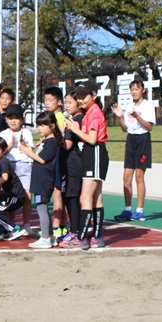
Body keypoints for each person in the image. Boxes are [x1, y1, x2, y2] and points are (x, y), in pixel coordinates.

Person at [64, 82, 109, 250]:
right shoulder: (91, 112)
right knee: (96, 197)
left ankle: (81, 238)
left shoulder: (94, 113)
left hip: (95, 152)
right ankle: (97, 237)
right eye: (79, 97)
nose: (81, 100)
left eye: (84, 97)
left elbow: (92, 139)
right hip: (93, 154)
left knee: (85, 198)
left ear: (94, 96)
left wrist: (75, 129)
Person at [112, 77, 156, 222]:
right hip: (131, 140)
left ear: (143, 90)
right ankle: (127, 209)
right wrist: (120, 117)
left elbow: (149, 127)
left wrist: (137, 117)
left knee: (139, 177)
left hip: (143, 140)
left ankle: (140, 210)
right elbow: (125, 129)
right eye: (132, 89)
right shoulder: (129, 106)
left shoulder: (148, 106)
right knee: (126, 177)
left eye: (137, 89)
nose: (134, 92)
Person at [19, 111, 64, 249]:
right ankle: (49, 236)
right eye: (38, 125)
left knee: (41, 208)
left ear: (52, 125)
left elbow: (43, 160)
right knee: (42, 207)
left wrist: (29, 153)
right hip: (41, 178)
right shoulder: (46, 141)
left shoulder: (51, 142)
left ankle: (45, 237)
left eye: (43, 125)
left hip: (44, 179)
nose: (39, 128)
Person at [0, 104, 35, 235]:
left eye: (17, 118)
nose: (13, 121)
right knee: (12, 197)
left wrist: (23, 144)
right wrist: (10, 145)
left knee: (27, 197)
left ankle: (26, 224)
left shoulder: (27, 133)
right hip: (10, 166)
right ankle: (11, 225)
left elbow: (30, 151)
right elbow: (0, 153)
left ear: (22, 120)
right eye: (10, 118)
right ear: (6, 120)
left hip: (25, 166)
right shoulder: (3, 134)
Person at [57, 89, 85, 246]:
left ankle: (76, 231)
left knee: (73, 198)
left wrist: (57, 135)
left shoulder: (77, 120)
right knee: (69, 197)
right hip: (68, 165)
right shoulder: (72, 119)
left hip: (73, 166)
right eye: (65, 102)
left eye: (70, 102)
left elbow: (67, 145)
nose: (66, 106)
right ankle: (74, 229)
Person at [43, 86, 68, 241]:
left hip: (59, 159)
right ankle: (62, 225)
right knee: (57, 192)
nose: (47, 103)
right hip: (57, 158)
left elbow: (60, 137)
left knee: (57, 192)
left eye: (50, 100)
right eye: (45, 100)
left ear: (59, 102)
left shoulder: (59, 118)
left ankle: (56, 227)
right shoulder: (54, 116)